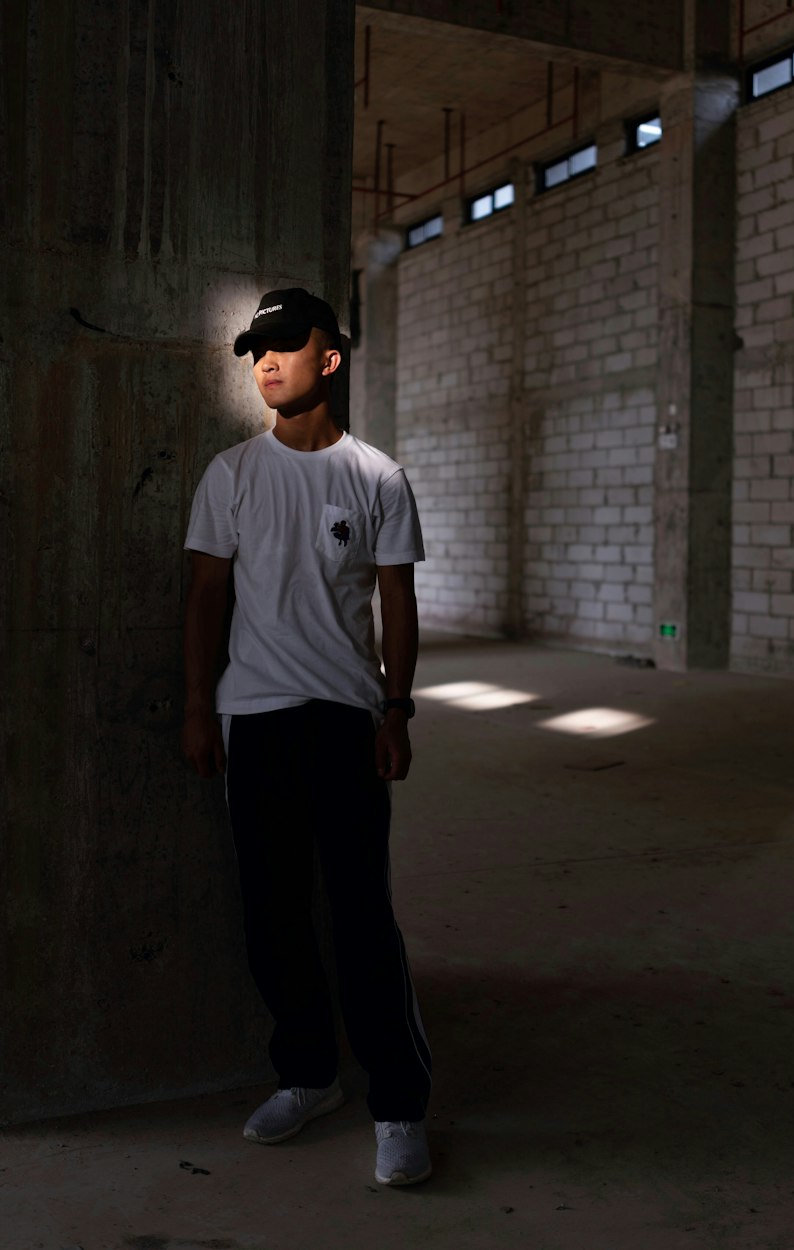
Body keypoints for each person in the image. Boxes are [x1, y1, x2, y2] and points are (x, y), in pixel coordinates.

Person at [181, 287, 432, 1186]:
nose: (267, 361)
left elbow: (397, 600)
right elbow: (207, 599)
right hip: (254, 719)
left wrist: (397, 707)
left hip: (345, 721)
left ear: (332, 358)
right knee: (272, 912)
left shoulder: (377, 478)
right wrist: (197, 708)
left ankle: (398, 1104)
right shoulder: (231, 475)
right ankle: (309, 1074)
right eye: (257, 349)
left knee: (364, 916)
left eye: (288, 344)